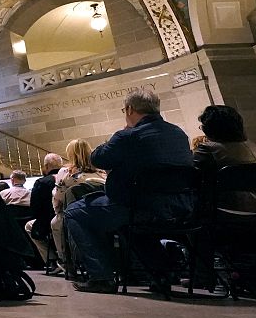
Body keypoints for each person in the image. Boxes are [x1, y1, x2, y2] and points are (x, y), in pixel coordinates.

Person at [64, 89, 194, 294]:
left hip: (135, 206)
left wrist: (122, 133)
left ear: (130, 109)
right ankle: (161, 274)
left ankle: (102, 276)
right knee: (129, 221)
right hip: (179, 208)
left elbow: (97, 158)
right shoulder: (178, 134)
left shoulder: (128, 136)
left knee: (75, 212)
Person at [50, 139, 106, 275]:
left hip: (73, 214)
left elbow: (58, 198)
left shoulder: (65, 173)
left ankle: (65, 260)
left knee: (56, 222)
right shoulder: (101, 172)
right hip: (102, 214)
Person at [192, 105, 256, 174]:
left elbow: (195, 179)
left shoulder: (206, 150)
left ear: (210, 129)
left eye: (203, 127)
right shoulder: (255, 146)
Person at [25, 152, 62, 272]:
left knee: (29, 226)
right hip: (71, 218)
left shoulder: (42, 182)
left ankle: (52, 260)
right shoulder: (67, 178)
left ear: (46, 167)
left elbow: (35, 208)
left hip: (49, 221)